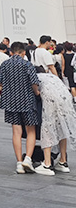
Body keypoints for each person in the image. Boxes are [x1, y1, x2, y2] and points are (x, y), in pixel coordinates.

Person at [31, 37, 76, 175]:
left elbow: (36, 91)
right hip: (64, 97)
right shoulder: (51, 77)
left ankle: (47, 164)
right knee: (62, 128)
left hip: (51, 100)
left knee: (48, 127)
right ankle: (63, 161)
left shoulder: (37, 77)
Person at [0, 41, 41, 174]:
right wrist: (37, 93)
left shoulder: (5, 64)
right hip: (27, 101)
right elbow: (34, 83)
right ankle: (27, 158)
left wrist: (5, 90)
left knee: (16, 131)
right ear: (23, 52)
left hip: (11, 102)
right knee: (31, 130)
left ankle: (19, 163)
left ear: (11, 52)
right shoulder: (27, 65)